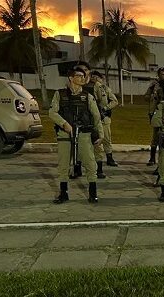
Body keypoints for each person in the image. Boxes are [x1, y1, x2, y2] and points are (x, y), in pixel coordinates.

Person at [49, 67, 104, 204]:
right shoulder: (60, 94)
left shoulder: (88, 96)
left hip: (84, 134)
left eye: (83, 76)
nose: (82, 78)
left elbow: (96, 116)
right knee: (63, 165)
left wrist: (101, 134)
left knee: (90, 164)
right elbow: (52, 113)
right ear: (70, 78)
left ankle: (93, 193)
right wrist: (64, 124)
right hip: (65, 134)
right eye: (79, 75)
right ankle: (64, 193)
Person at [90, 71, 119, 177]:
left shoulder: (105, 89)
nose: (94, 79)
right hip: (93, 119)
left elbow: (114, 101)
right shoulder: (88, 88)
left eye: (96, 77)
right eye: (92, 77)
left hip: (104, 118)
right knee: (96, 140)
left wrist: (105, 109)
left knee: (107, 138)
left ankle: (109, 158)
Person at [144, 67, 164, 166]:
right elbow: (146, 97)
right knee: (155, 136)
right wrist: (152, 96)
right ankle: (152, 158)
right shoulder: (154, 85)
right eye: (162, 74)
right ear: (158, 75)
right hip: (156, 112)